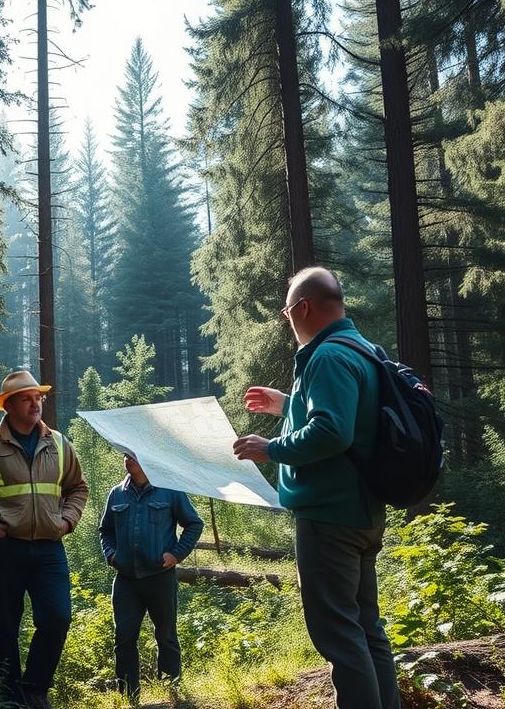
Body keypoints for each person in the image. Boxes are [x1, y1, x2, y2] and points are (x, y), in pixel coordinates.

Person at [231, 266, 401, 709]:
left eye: (287, 312)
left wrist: (273, 448)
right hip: (361, 512)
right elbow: (350, 419)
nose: (287, 320)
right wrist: (288, 406)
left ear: (303, 307)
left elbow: (333, 432)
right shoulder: (361, 348)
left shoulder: (326, 356)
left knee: (340, 636)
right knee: (365, 628)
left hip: (330, 515)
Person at [0, 370, 90, 709]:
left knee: (57, 617)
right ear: (9, 406)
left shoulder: (58, 442)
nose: (35, 403)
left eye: (38, 398)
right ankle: (9, 696)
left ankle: (35, 687)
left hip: (49, 548)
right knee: (5, 623)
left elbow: (78, 488)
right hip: (5, 549)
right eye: (27, 399)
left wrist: (68, 520)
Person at [98, 452, 203, 704]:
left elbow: (194, 523)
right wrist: (111, 555)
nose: (127, 459)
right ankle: (128, 697)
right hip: (126, 581)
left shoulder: (169, 490)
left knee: (166, 635)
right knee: (124, 637)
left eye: (132, 455)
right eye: (125, 455)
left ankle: (173, 694)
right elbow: (105, 530)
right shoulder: (117, 493)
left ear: (146, 457)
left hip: (160, 578)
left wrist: (177, 554)